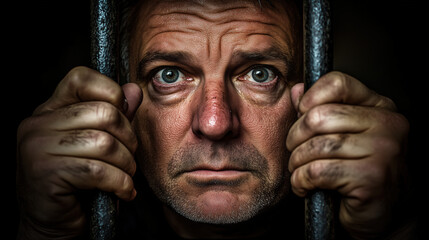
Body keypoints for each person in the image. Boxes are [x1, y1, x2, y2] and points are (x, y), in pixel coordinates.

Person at [16, 0, 413, 239]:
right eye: (168, 75)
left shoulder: (359, 215)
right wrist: (44, 235)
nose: (215, 122)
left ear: (309, 94)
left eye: (260, 73)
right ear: (123, 103)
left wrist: (395, 232)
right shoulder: (87, 219)